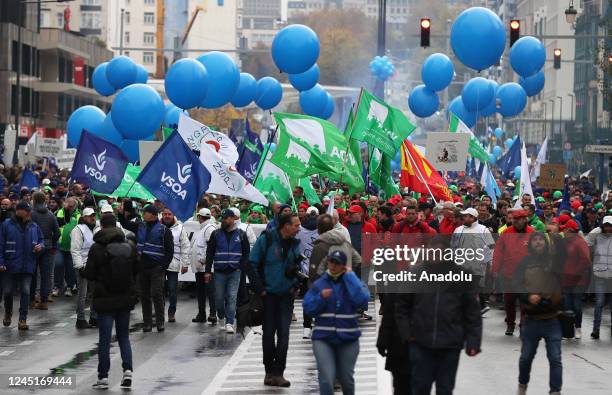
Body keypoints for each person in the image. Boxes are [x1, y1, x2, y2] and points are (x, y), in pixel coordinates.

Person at [395, 237, 482, 395]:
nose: (434, 256)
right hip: (420, 342)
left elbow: (472, 312)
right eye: (431, 252)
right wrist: (407, 332)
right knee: (420, 387)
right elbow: (401, 306)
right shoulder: (415, 274)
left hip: (450, 344)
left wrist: (473, 341)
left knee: (445, 389)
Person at [84, 213, 139, 390]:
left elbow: (90, 274)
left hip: (104, 298)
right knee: (124, 337)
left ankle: (103, 377)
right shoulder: (130, 246)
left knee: (105, 339)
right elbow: (136, 270)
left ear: (102, 227)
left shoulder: (96, 248)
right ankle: (128, 371)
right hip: (124, 298)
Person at [303, 250, 370, 395]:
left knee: (346, 379)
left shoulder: (351, 282)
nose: (333, 266)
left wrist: (351, 277)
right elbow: (308, 308)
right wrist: (320, 297)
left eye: (337, 263)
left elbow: (362, 299)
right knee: (326, 378)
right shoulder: (320, 284)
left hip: (348, 338)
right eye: (331, 261)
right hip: (323, 338)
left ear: (343, 266)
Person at [248, 213, 302, 387]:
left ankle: (279, 372)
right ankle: (269, 372)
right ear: (285, 225)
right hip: (269, 296)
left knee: (284, 335)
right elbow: (251, 264)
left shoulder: (295, 244)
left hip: (286, 296)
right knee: (269, 335)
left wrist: (295, 285)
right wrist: (260, 290)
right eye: (296, 225)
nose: (299, 228)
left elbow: (298, 267)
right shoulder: (267, 239)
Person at [514, 232, 563, 395]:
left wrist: (555, 235)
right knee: (525, 358)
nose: (538, 242)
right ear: (530, 244)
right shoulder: (524, 262)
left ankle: (555, 391)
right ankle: (522, 385)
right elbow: (516, 284)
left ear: (547, 242)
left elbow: (564, 255)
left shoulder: (554, 261)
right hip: (531, 320)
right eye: (534, 240)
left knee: (555, 358)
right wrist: (528, 296)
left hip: (552, 319)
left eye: (541, 239)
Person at [204, 209, 250, 334]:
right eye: (222, 218)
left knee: (232, 297)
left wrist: (241, 266)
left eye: (226, 218)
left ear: (233, 218)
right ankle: (221, 317)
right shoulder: (215, 234)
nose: (223, 220)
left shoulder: (241, 234)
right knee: (218, 298)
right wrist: (207, 271)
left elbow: (246, 253)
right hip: (219, 271)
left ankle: (230, 322)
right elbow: (210, 253)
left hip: (235, 271)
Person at [0, 202, 44, 330]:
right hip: (9, 265)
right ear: (18, 211)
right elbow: (1, 245)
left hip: (27, 265)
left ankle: (22, 319)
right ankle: (8, 312)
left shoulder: (34, 225)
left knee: (25, 291)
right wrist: (1, 262)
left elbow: (41, 240)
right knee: (8, 292)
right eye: (26, 210)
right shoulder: (6, 224)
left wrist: (40, 246)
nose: (29, 213)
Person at [492, 209, 535, 335]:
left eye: (518, 219)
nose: (515, 221)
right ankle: (510, 324)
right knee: (509, 301)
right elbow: (498, 252)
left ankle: (523, 325)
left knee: (525, 302)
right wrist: (495, 269)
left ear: (525, 219)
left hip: (527, 275)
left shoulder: (533, 233)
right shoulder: (506, 233)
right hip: (509, 274)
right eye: (514, 219)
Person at [136, 205, 174, 332]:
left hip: (157, 268)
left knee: (157, 294)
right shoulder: (141, 226)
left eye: (145, 213)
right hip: (142, 267)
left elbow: (170, 250)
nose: (143, 215)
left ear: (152, 214)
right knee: (144, 295)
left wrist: (164, 266)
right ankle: (147, 323)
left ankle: (160, 322)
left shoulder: (164, 230)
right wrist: (122, 212)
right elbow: (126, 224)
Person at [451, 208, 495, 314]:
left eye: (466, 216)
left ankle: (477, 307)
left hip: (477, 265)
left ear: (473, 217)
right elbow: (453, 246)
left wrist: (490, 263)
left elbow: (491, 247)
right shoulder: (458, 230)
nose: (463, 217)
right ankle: (480, 306)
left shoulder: (483, 230)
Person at [559, 219, 591, 339]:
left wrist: (576, 272)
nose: (564, 232)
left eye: (565, 230)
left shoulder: (580, 243)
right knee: (567, 305)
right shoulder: (563, 242)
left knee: (576, 305)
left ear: (570, 230)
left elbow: (586, 261)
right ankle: (568, 329)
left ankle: (578, 327)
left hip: (578, 280)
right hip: (566, 279)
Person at [30, 191, 59, 310]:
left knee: (32, 274)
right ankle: (44, 301)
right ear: (44, 200)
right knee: (46, 275)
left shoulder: (31, 214)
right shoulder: (51, 214)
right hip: (47, 246)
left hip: (33, 246)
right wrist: (51, 242)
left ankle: (31, 300)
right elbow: (57, 232)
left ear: (34, 200)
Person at [71, 207, 98, 329]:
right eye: (89, 215)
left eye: (94, 215)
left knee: (94, 292)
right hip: (83, 265)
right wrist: (80, 267)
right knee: (83, 293)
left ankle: (94, 317)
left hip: (93, 265)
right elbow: (75, 250)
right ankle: (80, 319)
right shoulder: (78, 230)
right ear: (84, 217)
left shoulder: (96, 227)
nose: (92, 217)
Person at [161, 208, 190, 323]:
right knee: (159, 290)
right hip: (159, 264)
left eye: (169, 214)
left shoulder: (180, 228)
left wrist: (185, 263)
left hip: (173, 263)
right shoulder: (158, 227)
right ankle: (159, 313)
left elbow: (185, 246)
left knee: (172, 290)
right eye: (165, 214)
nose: (167, 216)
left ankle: (171, 312)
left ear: (173, 215)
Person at [588, 216, 612, 339]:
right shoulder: (597, 235)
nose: (608, 228)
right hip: (600, 275)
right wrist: (599, 228)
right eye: (606, 225)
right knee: (599, 302)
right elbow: (588, 241)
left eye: (610, 225)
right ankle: (595, 330)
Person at [193, 208, 218, 324]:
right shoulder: (204, 228)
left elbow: (211, 246)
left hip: (206, 266)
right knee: (201, 291)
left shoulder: (209, 228)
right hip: (201, 266)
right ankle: (202, 314)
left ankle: (213, 314)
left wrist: (204, 260)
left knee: (210, 291)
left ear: (200, 217)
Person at [54, 197, 80, 297]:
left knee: (70, 268)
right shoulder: (59, 212)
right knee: (58, 264)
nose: (68, 207)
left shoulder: (78, 215)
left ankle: (69, 286)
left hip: (72, 246)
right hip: (59, 245)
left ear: (75, 206)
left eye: (71, 205)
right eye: (67, 204)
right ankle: (57, 286)